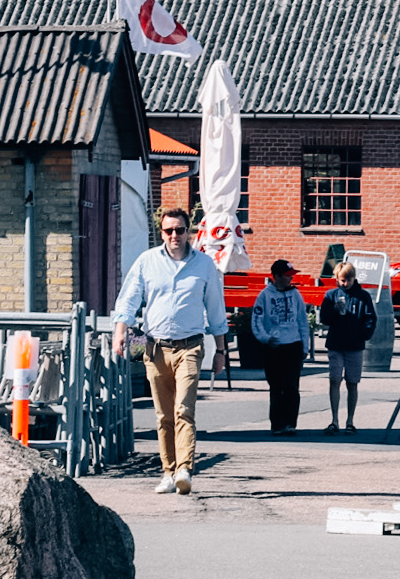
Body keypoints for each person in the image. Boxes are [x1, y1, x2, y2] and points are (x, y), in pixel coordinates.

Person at [112, 207, 227, 495]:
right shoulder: (147, 262)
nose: (174, 235)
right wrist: (120, 333)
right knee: (163, 415)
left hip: (190, 346)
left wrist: (221, 351)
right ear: (161, 233)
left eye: (179, 230)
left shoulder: (204, 265)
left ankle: (185, 469)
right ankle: (168, 471)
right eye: (168, 230)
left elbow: (216, 310)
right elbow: (129, 300)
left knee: (183, 410)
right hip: (154, 347)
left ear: (189, 232)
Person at [249, 259, 313, 434]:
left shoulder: (295, 295)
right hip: (274, 346)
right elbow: (257, 320)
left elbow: (302, 321)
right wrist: (265, 338)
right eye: (286, 276)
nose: (289, 279)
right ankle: (277, 424)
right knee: (277, 387)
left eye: (291, 276)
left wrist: (305, 346)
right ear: (276, 276)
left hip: (293, 345)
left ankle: (290, 423)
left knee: (292, 386)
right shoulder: (265, 296)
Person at [318, 261, 377, 432]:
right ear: (336, 279)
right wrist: (334, 310)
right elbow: (324, 318)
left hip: (354, 345)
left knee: (352, 382)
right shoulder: (331, 295)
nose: (346, 283)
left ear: (354, 278)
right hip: (336, 344)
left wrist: (363, 335)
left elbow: (370, 318)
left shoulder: (363, 296)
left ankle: (350, 420)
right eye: (342, 280)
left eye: (349, 279)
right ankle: (334, 419)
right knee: (334, 379)